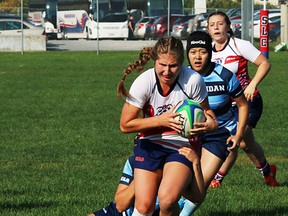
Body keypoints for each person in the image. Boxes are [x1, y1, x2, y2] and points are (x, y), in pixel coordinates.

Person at [117, 36, 218, 216]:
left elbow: (209, 115)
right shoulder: (144, 82)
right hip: (150, 144)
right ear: (155, 60)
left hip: (181, 146)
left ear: (182, 63)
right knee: (144, 206)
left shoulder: (193, 80)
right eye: (162, 65)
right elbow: (125, 125)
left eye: (173, 66)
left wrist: (210, 124)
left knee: (167, 199)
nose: (167, 71)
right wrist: (161, 120)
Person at [179, 31, 249, 215]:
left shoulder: (225, 75)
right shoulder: (181, 76)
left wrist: (238, 135)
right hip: (189, 133)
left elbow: (242, 105)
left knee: (200, 184)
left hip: (220, 134)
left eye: (202, 51)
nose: (197, 57)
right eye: (193, 52)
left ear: (210, 52)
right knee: (180, 182)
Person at [207, 11, 278, 188]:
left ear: (228, 26)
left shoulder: (239, 45)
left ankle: (216, 178)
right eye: (212, 24)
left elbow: (264, 63)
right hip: (226, 105)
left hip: (248, 101)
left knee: (234, 139)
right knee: (247, 143)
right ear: (208, 30)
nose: (216, 27)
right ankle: (268, 172)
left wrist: (252, 84)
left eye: (220, 23)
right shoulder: (207, 51)